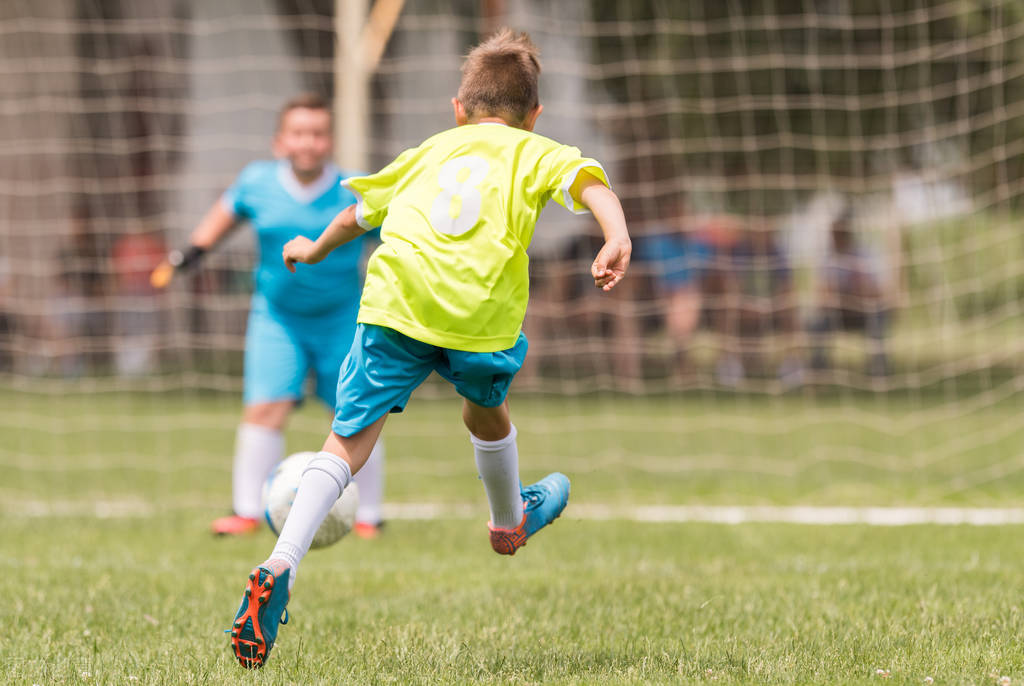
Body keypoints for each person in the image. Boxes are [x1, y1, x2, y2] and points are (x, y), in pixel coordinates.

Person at [227, 29, 632, 669]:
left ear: (458, 109)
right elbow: (589, 184)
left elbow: (358, 215)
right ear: (534, 116)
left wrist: (311, 247)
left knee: (348, 437)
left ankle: (280, 562)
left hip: (397, 303)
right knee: (485, 410)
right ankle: (508, 520)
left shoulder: (428, 151)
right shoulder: (535, 152)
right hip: (478, 317)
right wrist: (616, 236)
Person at [150, 93, 386, 539]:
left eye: (317, 134)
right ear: (281, 141)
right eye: (298, 133)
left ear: (329, 141)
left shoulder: (355, 189)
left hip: (344, 320)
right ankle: (246, 511)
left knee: (359, 413)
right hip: (276, 319)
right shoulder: (256, 182)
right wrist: (184, 258)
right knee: (264, 408)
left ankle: (367, 516)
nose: (308, 143)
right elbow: (218, 223)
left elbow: (393, 237)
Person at [809, 211, 890, 377]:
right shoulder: (827, 260)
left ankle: (879, 371)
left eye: (839, 234)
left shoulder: (865, 256)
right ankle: (818, 372)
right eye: (833, 234)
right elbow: (822, 296)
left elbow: (877, 293)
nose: (835, 238)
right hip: (836, 313)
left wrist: (851, 294)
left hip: (862, 312)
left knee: (878, 318)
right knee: (815, 322)